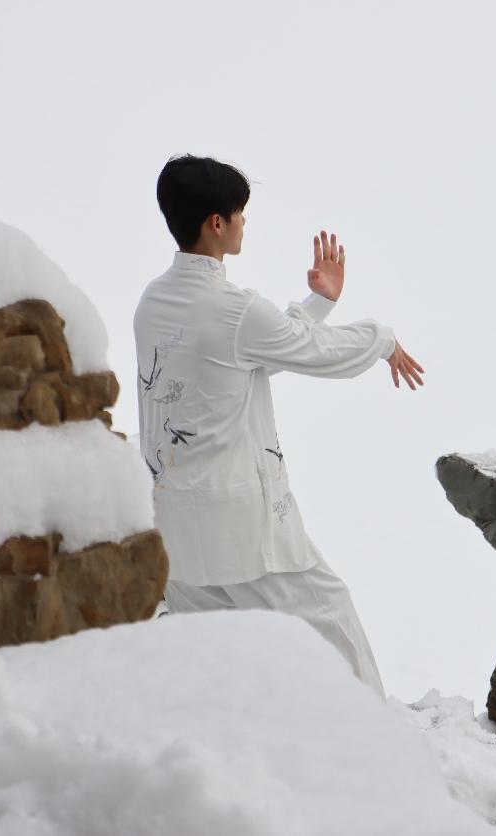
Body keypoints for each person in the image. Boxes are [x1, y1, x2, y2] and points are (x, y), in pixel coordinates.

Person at [133, 154, 424, 696]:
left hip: (173, 519)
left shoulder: (155, 301)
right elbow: (305, 349)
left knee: (214, 648)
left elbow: (251, 350)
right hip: (240, 522)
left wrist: (318, 300)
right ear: (216, 222)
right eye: (239, 212)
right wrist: (381, 339)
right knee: (329, 617)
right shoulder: (232, 307)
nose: (244, 223)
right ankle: (376, 744)